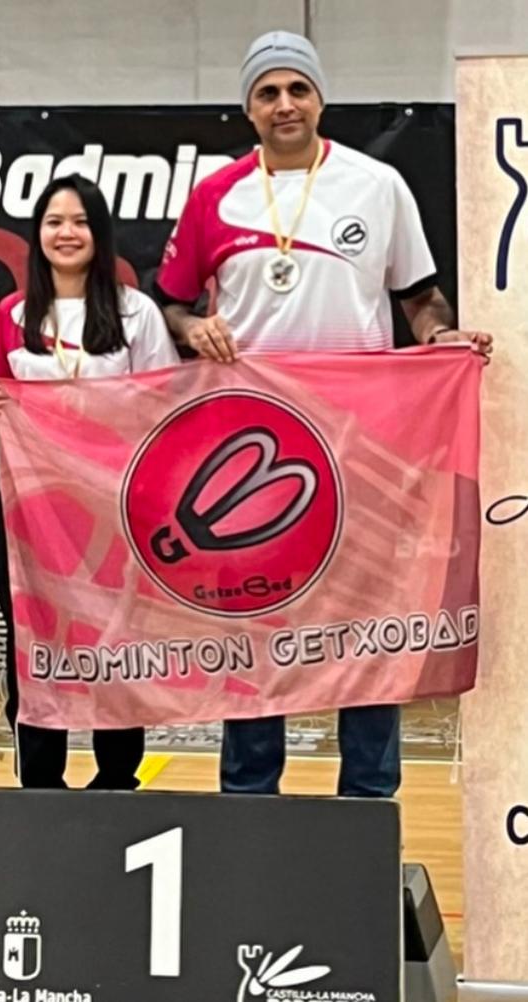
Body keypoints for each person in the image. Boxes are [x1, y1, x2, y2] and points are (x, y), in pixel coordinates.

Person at [154, 30, 494, 798]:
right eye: (267, 92)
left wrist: (439, 338)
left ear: (319, 99)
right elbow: (169, 304)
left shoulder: (377, 185)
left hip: (360, 444)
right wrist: (191, 328)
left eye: (296, 89)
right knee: (254, 625)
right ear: (247, 109)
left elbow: (419, 298)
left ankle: (367, 805)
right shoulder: (214, 195)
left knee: (366, 624)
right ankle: (249, 804)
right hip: (251, 449)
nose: (284, 105)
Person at [0, 174, 180, 790]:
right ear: (37, 234)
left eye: (80, 221)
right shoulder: (12, 315)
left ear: (100, 233)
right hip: (29, 515)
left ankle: (117, 777)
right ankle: (40, 783)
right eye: (54, 222)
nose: (66, 233)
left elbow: (164, 404)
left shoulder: (136, 312)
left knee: (117, 641)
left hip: (113, 514)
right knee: (33, 640)